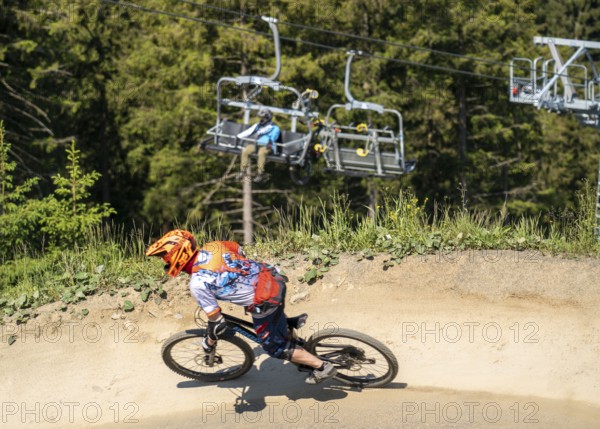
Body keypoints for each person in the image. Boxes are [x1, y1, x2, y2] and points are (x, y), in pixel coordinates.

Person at [145, 229, 337, 385]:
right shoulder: (214, 246)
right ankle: (290, 333)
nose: (165, 261)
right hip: (273, 277)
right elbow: (239, 251)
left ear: (177, 255)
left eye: (165, 257)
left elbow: (218, 324)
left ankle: (322, 367)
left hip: (266, 299)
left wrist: (209, 342)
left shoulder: (198, 283)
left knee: (274, 348)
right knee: (272, 321)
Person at [236, 108, 281, 183]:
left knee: (261, 152)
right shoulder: (258, 125)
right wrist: (238, 136)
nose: (261, 120)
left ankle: (260, 173)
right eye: (261, 118)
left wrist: (270, 143)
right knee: (245, 150)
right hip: (257, 145)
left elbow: (274, 137)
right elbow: (249, 131)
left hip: (268, 146)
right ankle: (243, 171)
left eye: (263, 118)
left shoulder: (274, 127)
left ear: (267, 118)